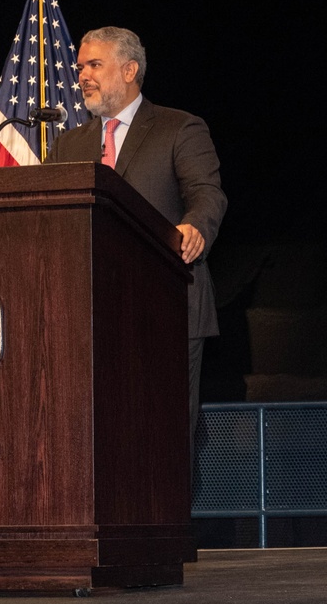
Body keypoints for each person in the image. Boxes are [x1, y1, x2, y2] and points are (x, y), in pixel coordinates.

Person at [45, 26, 228, 458]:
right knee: (103, 434)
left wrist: (196, 226)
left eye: (94, 65)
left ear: (129, 70)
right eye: (80, 67)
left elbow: (207, 193)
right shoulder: (70, 144)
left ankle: (169, 524)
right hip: (91, 313)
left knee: (164, 432)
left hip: (166, 301)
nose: (82, 75)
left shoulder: (179, 127)